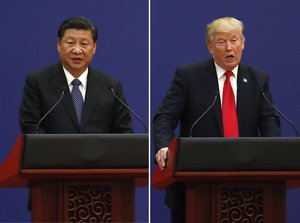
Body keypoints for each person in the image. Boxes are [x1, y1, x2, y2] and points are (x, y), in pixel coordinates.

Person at [153, 17, 281, 223]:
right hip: (194, 184)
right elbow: (165, 117)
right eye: (221, 42)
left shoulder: (258, 79)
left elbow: (269, 122)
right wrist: (163, 146)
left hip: (248, 186)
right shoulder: (189, 76)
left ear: (243, 43)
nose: (229, 48)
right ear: (210, 47)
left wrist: (273, 155)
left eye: (234, 40)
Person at [19, 16, 133, 134]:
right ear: (59, 44)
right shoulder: (38, 82)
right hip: (53, 152)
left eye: (84, 44)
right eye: (70, 43)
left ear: (94, 47)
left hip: (100, 153)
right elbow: (31, 127)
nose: (77, 50)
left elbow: (124, 132)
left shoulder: (111, 87)